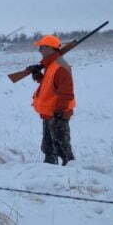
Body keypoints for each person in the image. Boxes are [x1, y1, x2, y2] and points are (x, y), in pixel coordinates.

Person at [29, 35, 76, 165]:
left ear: (50, 48)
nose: (39, 50)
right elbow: (50, 85)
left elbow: (66, 93)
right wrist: (38, 75)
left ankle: (72, 173)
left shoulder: (60, 66)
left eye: (42, 47)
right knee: (48, 148)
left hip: (57, 114)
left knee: (63, 150)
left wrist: (59, 113)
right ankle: (49, 171)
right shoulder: (51, 65)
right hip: (49, 113)